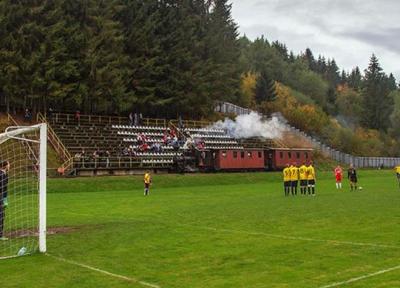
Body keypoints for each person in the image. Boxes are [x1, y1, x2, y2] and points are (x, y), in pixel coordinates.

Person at [0, 160, 10, 241]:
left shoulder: (4, 174)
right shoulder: (2, 174)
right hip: (0, 197)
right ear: (5, 165)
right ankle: (0, 235)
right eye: (8, 164)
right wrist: (3, 199)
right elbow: (2, 187)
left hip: (2, 196)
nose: (9, 165)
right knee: (1, 215)